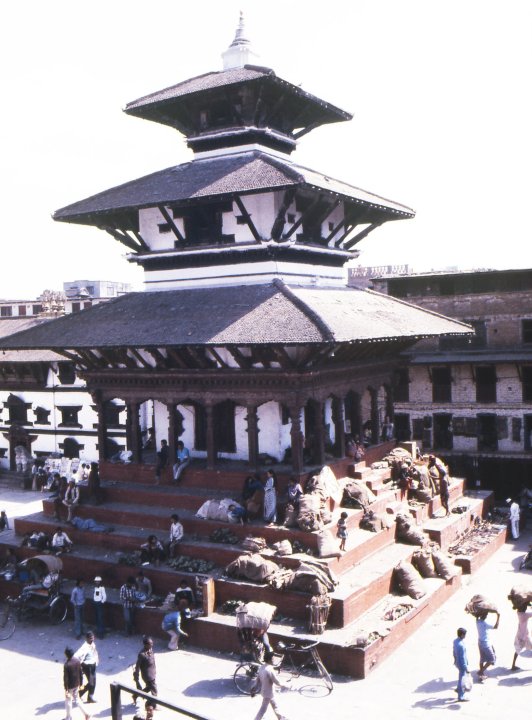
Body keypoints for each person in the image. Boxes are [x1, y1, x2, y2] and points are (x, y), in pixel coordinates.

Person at [252, 649, 290, 720]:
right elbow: (277, 682)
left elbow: (257, 679)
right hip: (269, 693)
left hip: (264, 691)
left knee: (275, 705)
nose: (274, 660)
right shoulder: (270, 670)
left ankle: (281, 717)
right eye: (273, 658)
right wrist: (286, 685)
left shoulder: (261, 667)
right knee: (263, 709)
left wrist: (254, 687)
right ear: (269, 660)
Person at [63, 646, 92, 720]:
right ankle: (87, 714)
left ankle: (68, 717)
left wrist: (66, 689)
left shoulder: (67, 665)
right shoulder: (77, 661)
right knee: (77, 700)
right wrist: (81, 683)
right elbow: (80, 673)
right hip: (77, 684)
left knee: (68, 701)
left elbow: (66, 678)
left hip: (70, 686)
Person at [75, 630, 99, 703]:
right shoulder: (84, 647)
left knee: (92, 682)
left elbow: (94, 652)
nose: (92, 640)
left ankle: (82, 693)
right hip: (87, 666)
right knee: (92, 682)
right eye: (90, 638)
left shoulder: (92, 644)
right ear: (86, 639)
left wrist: (96, 660)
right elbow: (77, 656)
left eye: (93, 638)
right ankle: (89, 697)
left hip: (93, 665)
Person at [475, 609, 500, 681]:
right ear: (484, 616)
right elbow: (496, 627)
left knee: (482, 658)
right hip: (485, 643)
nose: (486, 616)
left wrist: (478, 614)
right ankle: (481, 672)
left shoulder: (477, 622)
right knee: (492, 659)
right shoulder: (484, 624)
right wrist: (498, 617)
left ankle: (481, 675)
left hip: (480, 642)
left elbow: (476, 616)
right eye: (486, 615)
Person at [510, 602, 532, 671]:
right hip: (523, 637)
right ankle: (513, 666)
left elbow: (523, 608)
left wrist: (527, 604)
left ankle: (513, 665)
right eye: (525, 607)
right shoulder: (524, 615)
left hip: (521, 635)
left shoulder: (519, 613)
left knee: (517, 651)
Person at [452, 627, 470, 702]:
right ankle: (461, 696)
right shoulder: (461, 645)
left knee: (460, 677)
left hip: (457, 662)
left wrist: (455, 660)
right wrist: (466, 668)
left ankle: (458, 689)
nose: (465, 636)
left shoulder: (455, 641)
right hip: (462, 664)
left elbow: (453, 652)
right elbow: (462, 658)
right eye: (465, 634)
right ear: (462, 635)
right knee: (462, 680)